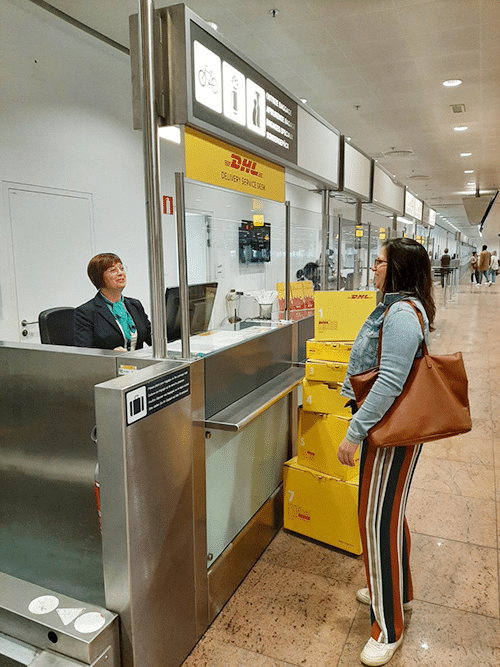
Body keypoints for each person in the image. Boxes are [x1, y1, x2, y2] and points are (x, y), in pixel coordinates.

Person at [337, 238, 435, 666]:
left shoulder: (399, 314)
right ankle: (399, 592)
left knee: (376, 522)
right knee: (389, 513)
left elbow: (390, 382)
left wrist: (353, 433)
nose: (373, 268)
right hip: (391, 430)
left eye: (379, 262)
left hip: (388, 432)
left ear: (396, 269)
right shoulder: (399, 307)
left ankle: (388, 626)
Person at [74, 253, 152, 350]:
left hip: (139, 364)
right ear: (99, 277)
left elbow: (152, 339)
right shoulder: (86, 312)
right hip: (108, 364)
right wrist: (110, 355)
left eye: (122, 268)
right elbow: (85, 353)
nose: (120, 273)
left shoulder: (135, 305)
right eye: (113, 270)